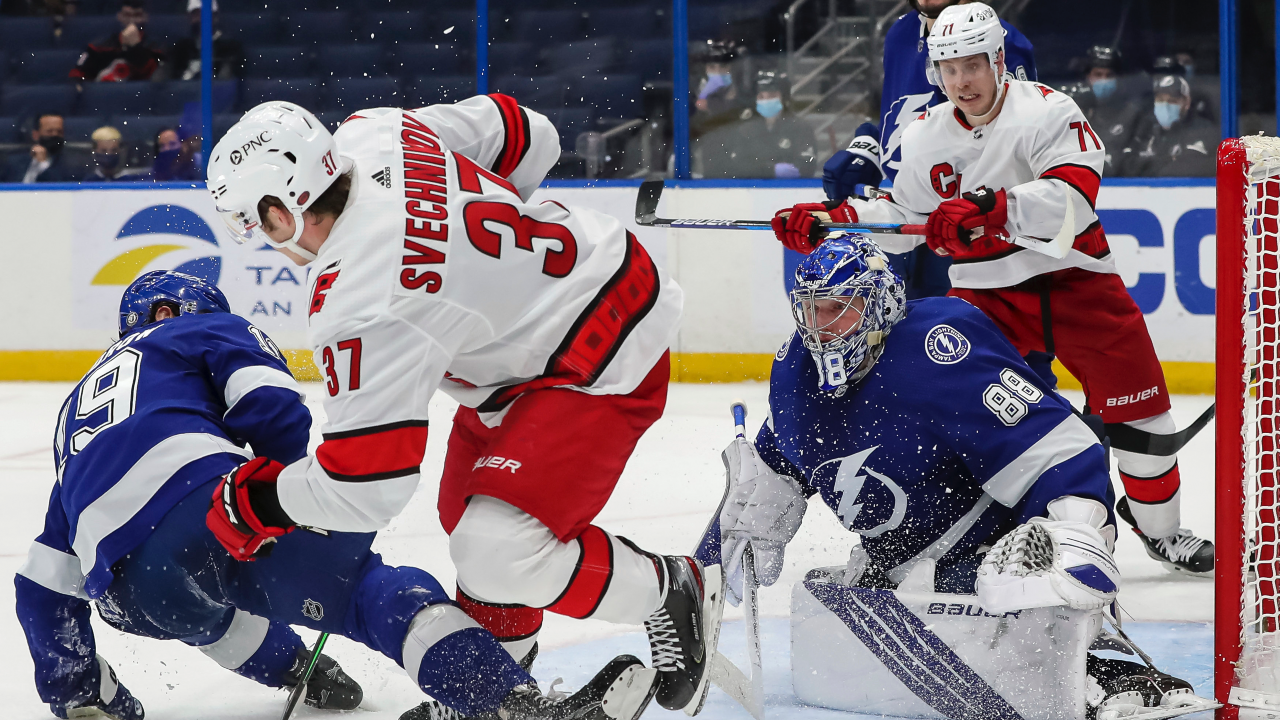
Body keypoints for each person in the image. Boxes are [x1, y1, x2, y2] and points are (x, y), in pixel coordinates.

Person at [205, 98, 723, 719]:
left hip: (597, 355)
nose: (259, 240)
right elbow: (535, 134)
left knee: (498, 551)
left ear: (281, 210)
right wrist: (489, 256)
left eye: (251, 222)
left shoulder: (361, 296)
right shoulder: (376, 133)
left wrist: (262, 500)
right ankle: (500, 689)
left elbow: (366, 485)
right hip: (553, 316)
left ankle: (670, 590)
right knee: (465, 518)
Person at [15, 270, 656, 720]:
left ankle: (297, 672)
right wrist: (311, 505)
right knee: (366, 590)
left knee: (207, 596)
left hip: (129, 595)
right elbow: (272, 410)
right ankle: (512, 706)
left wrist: (73, 685)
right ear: (175, 314)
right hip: (194, 505)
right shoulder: (200, 331)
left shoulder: (75, 414)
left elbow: (43, 580)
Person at [769, 2, 1213, 575]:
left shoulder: (1049, 111)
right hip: (986, 297)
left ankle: (1163, 532)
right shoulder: (925, 136)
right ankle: (978, 532)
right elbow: (901, 219)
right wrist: (832, 219)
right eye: (949, 69)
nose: (961, 81)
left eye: (973, 65)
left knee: (1143, 416)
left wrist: (991, 207)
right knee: (971, 412)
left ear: (1000, 60)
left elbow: (1074, 196)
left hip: (1077, 282)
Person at [709, 233, 1197, 718]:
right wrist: (717, 556)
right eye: (811, 310)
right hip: (899, 569)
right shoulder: (794, 371)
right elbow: (779, 462)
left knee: (1028, 605)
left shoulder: (941, 347)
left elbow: (1059, 450)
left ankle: (1091, 653)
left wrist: (1069, 542)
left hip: (997, 555)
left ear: (879, 304)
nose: (822, 329)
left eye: (839, 308)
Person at [819, 0, 1036, 301]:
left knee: (972, 338)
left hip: (967, 229)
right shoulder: (900, 33)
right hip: (904, 214)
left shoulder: (999, 40)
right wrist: (871, 144)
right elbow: (897, 111)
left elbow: (1018, 139)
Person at [700, 70, 814, 179]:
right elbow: (738, 166)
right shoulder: (746, 129)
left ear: (783, 98)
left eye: (772, 95)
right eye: (761, 97)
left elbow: (808, 164)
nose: (766, 100)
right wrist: (770, 170)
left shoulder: (800, 127)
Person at [1118, 74, 1217, 178]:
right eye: (1160, 100)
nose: (1165, 105)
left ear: (1187, 102)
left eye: (1172, 101)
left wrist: (1151, 164)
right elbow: (1126, 167)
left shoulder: (1203, 130)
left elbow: (1191, 168)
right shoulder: (1146, 130)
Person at [1072, 46, 1143, 176]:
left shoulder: (1132, 113)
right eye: (1098, 75)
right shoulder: (1075, 109)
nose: (1103, 80)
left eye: (1109, 75)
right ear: (1088, 77)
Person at [69, 0, 164, 83]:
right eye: (127, 15)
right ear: (119, 17)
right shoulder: (98, 46)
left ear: (145, 17)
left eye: (137, 15)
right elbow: (77, 73)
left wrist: (135, 47)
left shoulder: (156, 47)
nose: (132, 21)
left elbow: (156, 78)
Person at [161, 0, 244, 81]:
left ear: (215, 17)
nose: (200, 19)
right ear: (189, 18)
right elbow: (167, 79)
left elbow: (226, 81)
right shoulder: (181, 47)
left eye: (205, 13)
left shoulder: (230, 47)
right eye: (196, 14)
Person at [2, 113, 75, 183]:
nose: (55, 135)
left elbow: (59, 189)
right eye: (49, 131)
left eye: (59, 132)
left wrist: (43, 163)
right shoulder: (13, 161)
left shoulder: (70, 163)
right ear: (35, 135)